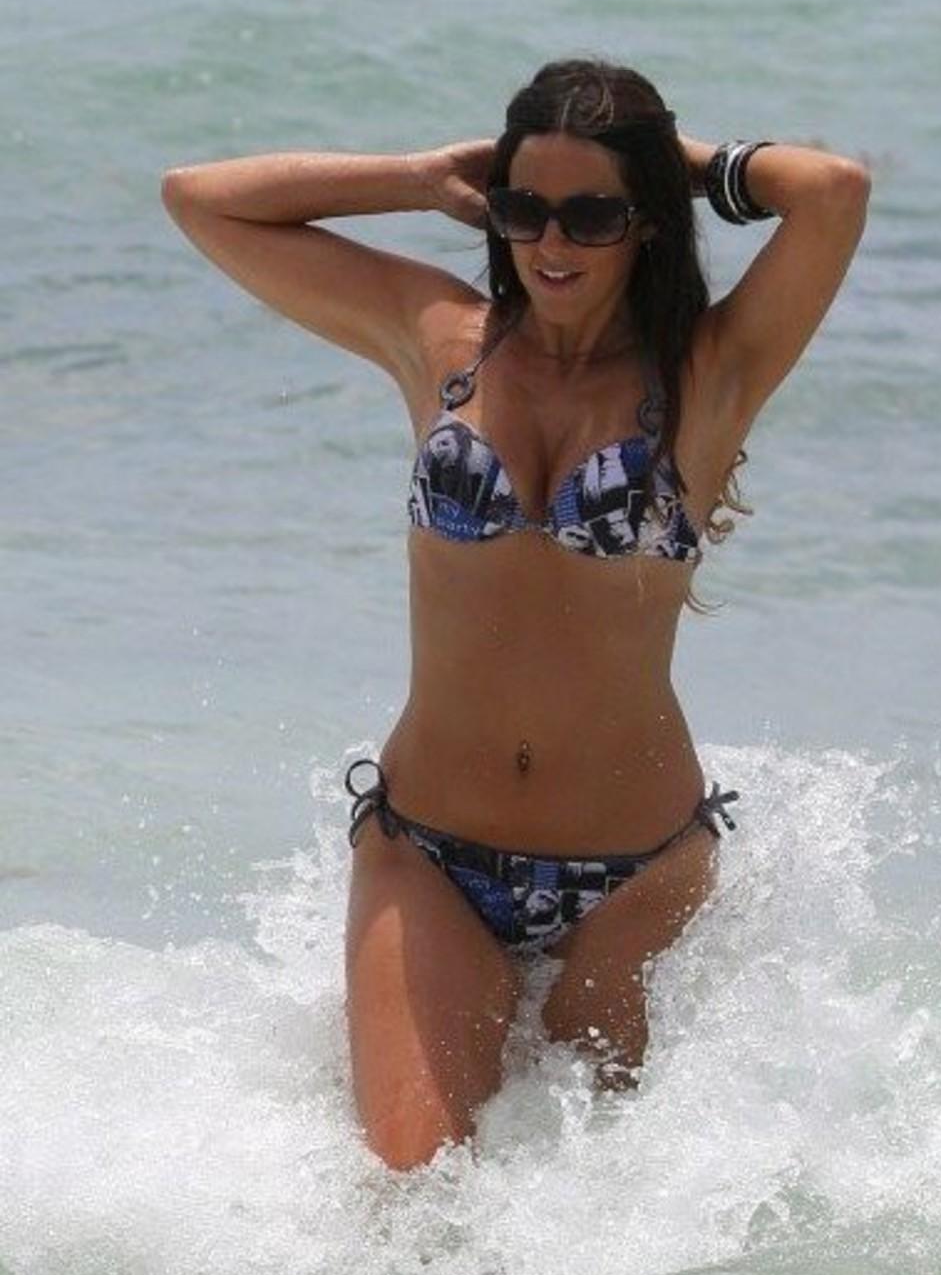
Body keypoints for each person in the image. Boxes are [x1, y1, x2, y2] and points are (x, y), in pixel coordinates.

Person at [162, 57, 870, 1171]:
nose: (550, 243)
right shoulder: (441, 338)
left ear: (646, 220)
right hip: (427, 857)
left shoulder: (710, 373)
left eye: (591, 215)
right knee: (414, 1204)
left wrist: (670, 160)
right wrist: (421, 177)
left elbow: (829, 190)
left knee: (600, 1227)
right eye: (524, 208)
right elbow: (202, 198)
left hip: (633, 876)